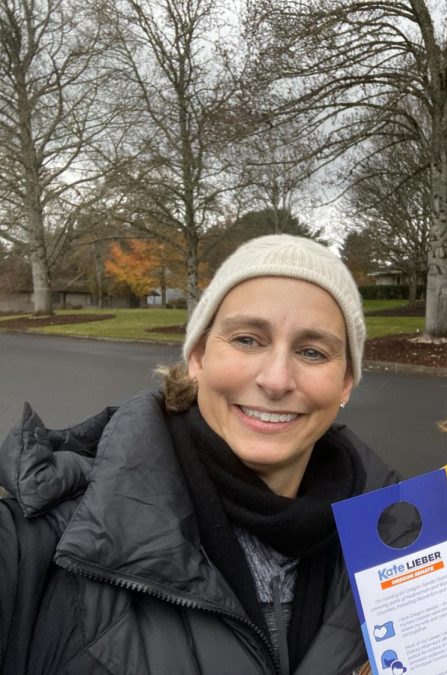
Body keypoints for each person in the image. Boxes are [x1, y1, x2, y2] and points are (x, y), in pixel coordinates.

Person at [0, 235, 411, 674]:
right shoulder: (42, 540)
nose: (275, 380)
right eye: (248, 339)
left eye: (312, 351)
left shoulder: (399, 539)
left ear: (346, 382)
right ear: (197, 355)